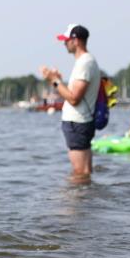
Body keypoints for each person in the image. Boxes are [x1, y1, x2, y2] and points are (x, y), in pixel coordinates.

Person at [40, 24, 100, 181]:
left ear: (76, 41)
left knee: (80, 173)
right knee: (84, 172)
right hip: (80, 122)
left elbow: (74, 99)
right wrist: (57, 81)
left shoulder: (85, 63)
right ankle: (86, 197)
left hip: (77, 123)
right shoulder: (85, 62)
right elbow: (73, 94)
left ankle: (77, 198)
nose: (64, 43)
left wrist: (54, 80)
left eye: (66, 40)